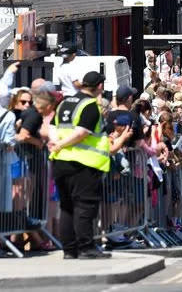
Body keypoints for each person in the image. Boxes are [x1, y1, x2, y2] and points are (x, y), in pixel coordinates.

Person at [48, 71, 111, 259]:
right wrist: (60, 144)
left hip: (61, 161)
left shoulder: (64, 103)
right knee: (85, 206)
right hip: (83, 163)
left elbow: (52, 126)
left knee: (67, 207)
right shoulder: (90, 105)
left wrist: (55, 143)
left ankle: (69, 250)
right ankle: (86, 247)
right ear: (99, 86)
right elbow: (82, 132)